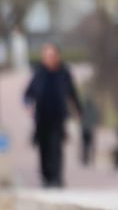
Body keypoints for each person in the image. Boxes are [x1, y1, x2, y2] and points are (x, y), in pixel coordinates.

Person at [23, 43, 82, 188]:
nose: (49, 58)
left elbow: (72, 93)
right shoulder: (38, 73)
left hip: (58, 116)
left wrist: (78, 110)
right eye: (46, 55)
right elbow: (27, 94)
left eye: (52, 55)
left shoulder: (64, 72)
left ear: (57, 56)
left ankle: (56, 178)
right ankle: (46, 178)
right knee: (44, 149)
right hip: (41, 117)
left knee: (56, 148)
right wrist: (28, 105)